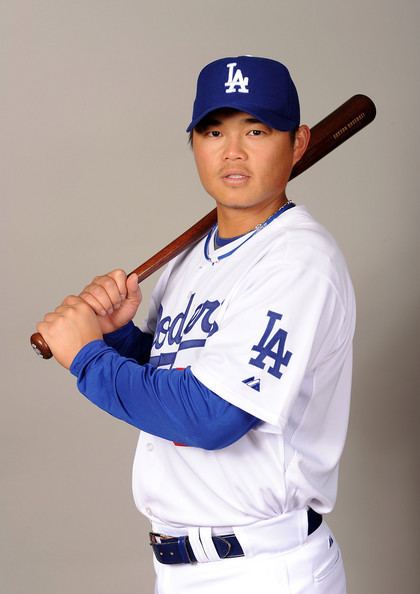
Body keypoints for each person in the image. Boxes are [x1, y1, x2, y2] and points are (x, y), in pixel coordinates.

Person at [37, 56, 355, 593]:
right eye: (214, 131)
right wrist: (121, 339)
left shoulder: (299, 261)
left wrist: (89, 359)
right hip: (181, 568)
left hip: (264, 570)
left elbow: (212, 416)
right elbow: (178, 385)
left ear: (298, 143)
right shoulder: (189, 262)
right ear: (194, 145)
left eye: (257, 130)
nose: (232, 151)